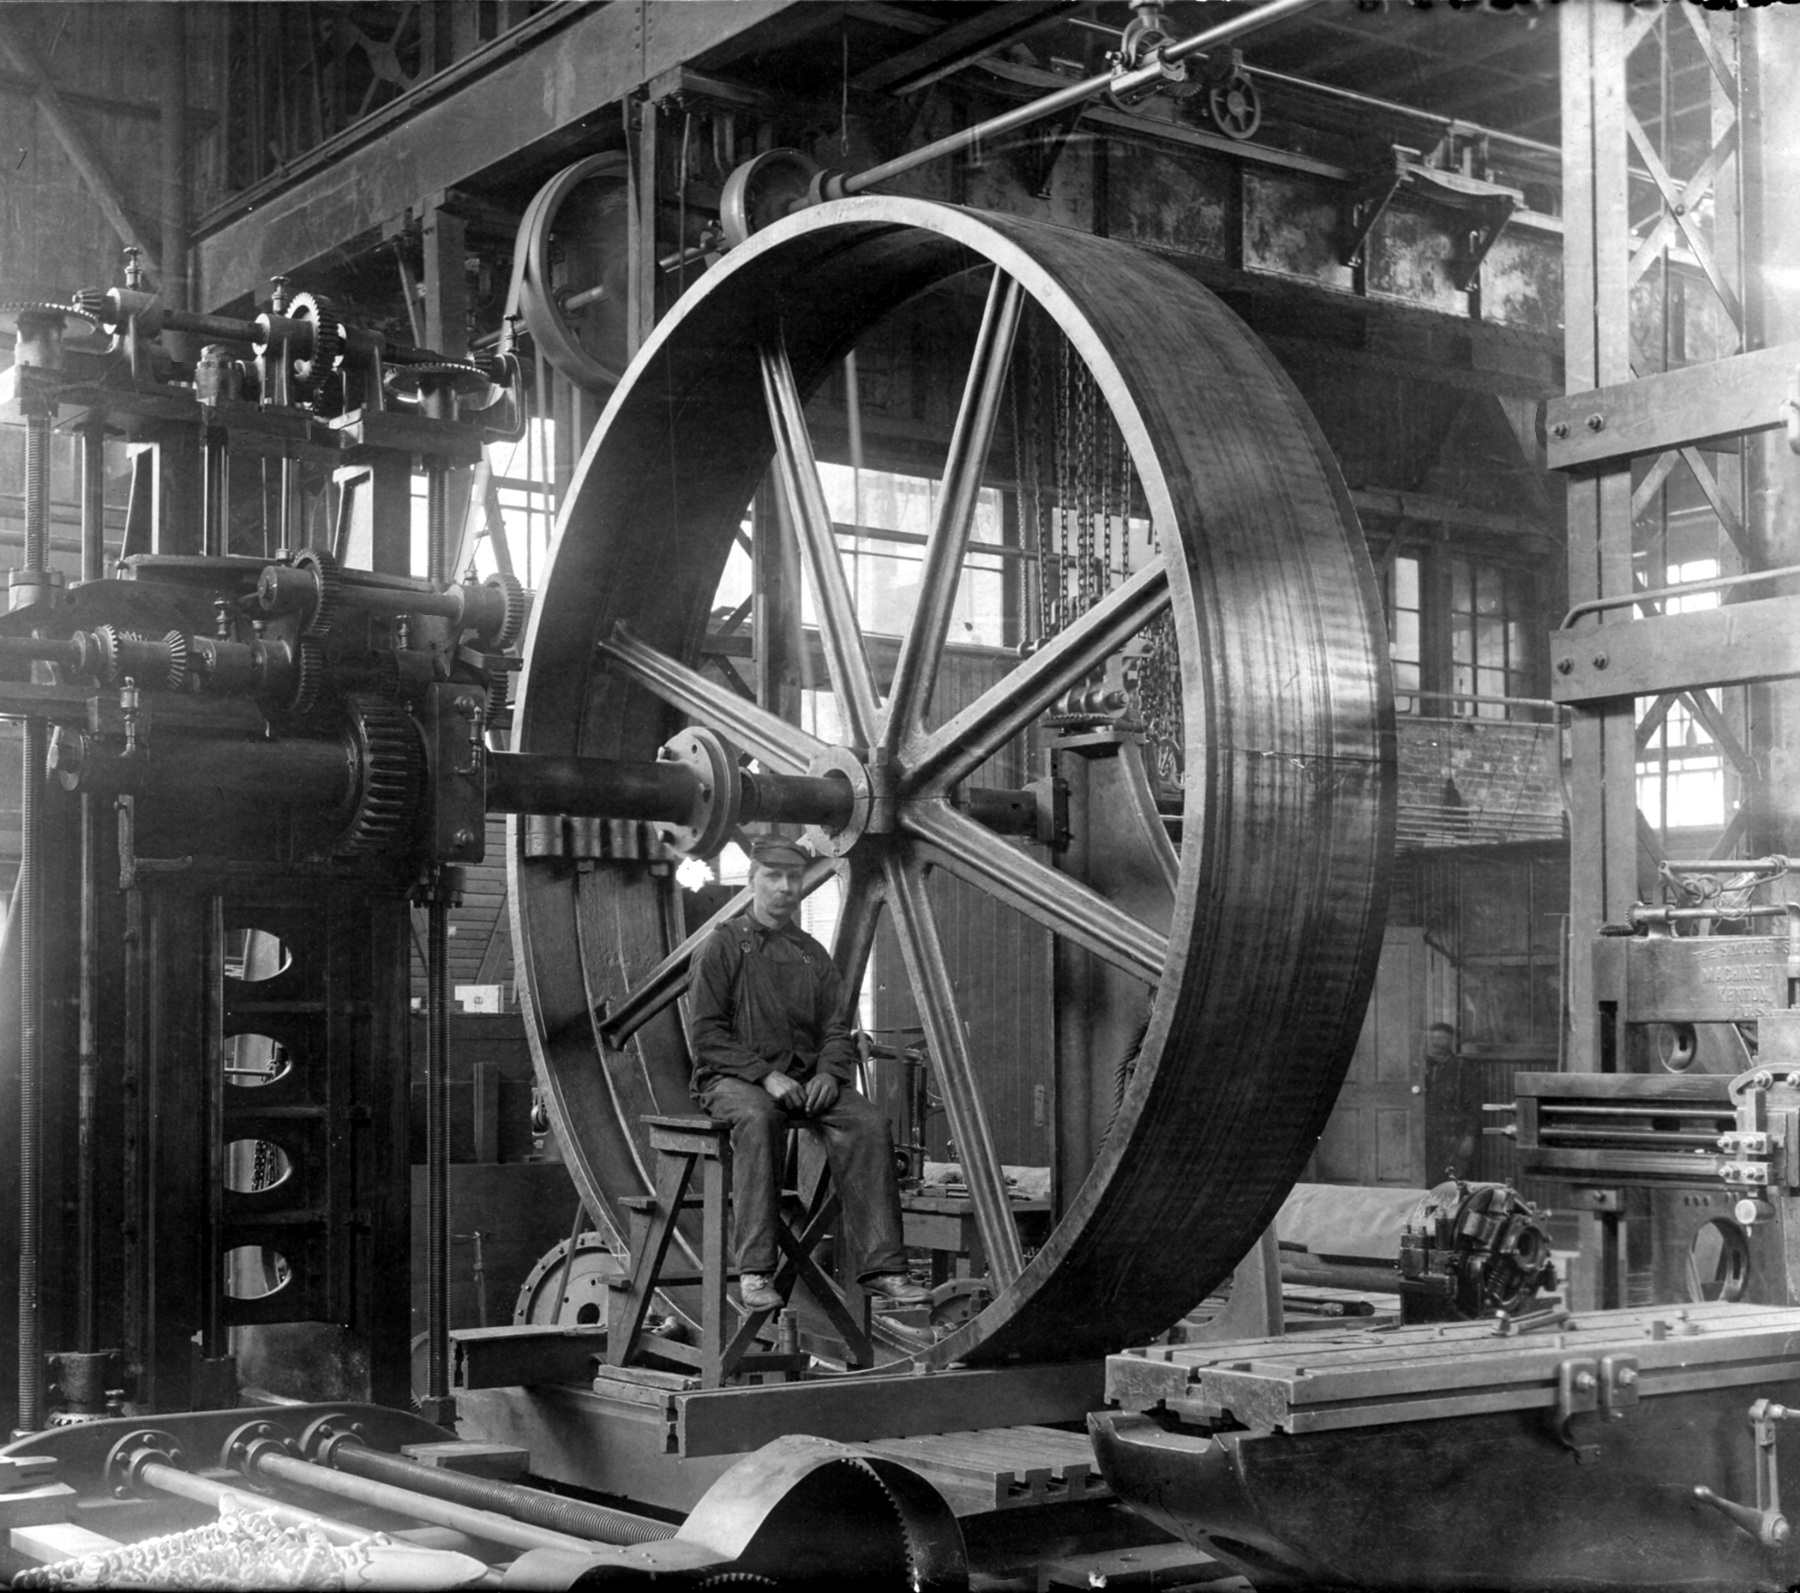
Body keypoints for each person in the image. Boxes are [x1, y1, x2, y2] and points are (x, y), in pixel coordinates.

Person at [687, 834, 929, 1313]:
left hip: (803, 1080)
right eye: (773, 877)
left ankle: (884, 1269)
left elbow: (836, 1029)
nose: (784, 887)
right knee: (759, 1119)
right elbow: (707, 1037)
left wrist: (828, 1075)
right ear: (752, 880)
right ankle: (755, 1272)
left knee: (868, 1123)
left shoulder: (811, 954)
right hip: (730, 1080)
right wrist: (763, 1076)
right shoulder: (722, 946)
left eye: (793, 878)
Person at [1421, 1021, 1477, 1184]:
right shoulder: (1419, 1066)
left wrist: (1469, 1137)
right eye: (1434, 1038)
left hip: (1453, 1137)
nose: (1437, 1043)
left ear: (1451, 1041)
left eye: (1442, 1039)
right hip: (1425, 1136)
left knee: (1452, 1182)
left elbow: (1474, 1108)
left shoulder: (1463, 1069)